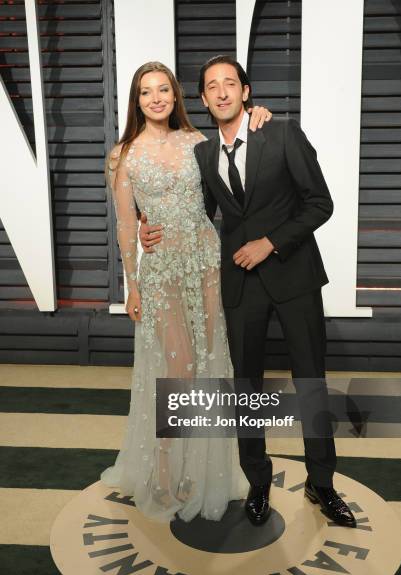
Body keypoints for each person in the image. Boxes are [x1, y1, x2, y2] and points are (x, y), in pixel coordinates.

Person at [140, 55, 357, 528]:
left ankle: (322, 484)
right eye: (211, 86)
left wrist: (271, 243)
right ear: (201, 99)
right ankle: (258, 481)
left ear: (246, 90)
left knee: (310, 382)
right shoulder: (201, 154)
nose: (221, 92)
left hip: (294, 276)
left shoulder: (280, 133)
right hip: (237, 283)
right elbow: (187, 210)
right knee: (247, 388)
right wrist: (143, 226)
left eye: (230, 84)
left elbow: (321, 203)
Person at [100, 60, 272, 523]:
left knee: (213, 358)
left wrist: (260, 114)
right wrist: (132, 282)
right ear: (136, 101)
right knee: (177, 365)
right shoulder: (124, 154)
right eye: (145, 92)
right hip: (161, 271)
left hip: (206, 262)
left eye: (163, 90)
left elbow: (239, 155)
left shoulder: (198, 142)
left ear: (176, 97)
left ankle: (201, 465)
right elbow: (123, 224)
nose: (155, 98)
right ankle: (161, 465)